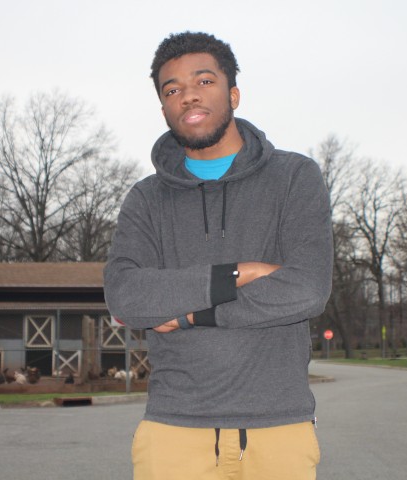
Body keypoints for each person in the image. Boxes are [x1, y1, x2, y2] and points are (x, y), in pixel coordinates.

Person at [104, 31, 333, 480]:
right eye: (172, 89)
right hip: (173, 431)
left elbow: (307, 290)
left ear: (233, 94)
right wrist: (240, 273)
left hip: (279, 428)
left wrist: (189, 315)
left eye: (204, 81)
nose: (188, 94)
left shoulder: (294, 177)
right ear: (164, 108)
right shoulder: (146, 199)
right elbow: (126, 296)